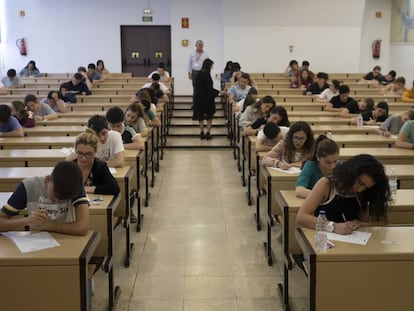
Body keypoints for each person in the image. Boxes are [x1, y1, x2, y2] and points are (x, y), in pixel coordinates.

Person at [296, 154, 391, 235]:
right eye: (360, 183)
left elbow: (364, 222)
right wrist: (333, 226)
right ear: (352, 173)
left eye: (366, 187)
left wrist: (358, 223)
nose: (360, 189)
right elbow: (301, 217)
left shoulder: (363, 193)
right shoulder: (326, 184)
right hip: (323, 238)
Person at [0, 160, 90, 236]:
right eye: (56, 194)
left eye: (63, 199)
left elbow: (82, 228)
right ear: (48, 179)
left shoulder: (74, 187)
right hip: (37, 242)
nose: (57, 201)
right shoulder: (28, 187)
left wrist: (48, 226)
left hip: (66, 238)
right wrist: (25, 220)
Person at [73, 129, 120, 195]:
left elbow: (115, 189)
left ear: (95, 152)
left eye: (88, 154)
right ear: (75, 150)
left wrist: (88, 189)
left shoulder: (100, 166)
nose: (83, 158)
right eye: (80, 153)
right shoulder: (69, 167)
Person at [193, 58, 220, 140]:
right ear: (209, 66)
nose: (212, 67)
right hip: (207, 99)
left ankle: (201, 131)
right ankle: (208, 132)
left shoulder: (198, 74)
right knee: (209, 116)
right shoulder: (207, 74)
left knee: (200, 115)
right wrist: (218, 92)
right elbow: (209, 88)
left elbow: (196, 87)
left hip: (198, 98)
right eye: (211, 66)